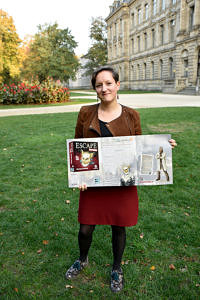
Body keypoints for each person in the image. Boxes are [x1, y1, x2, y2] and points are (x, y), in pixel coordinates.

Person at [65, 66, 177, 293]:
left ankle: (117, 267)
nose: (104, 88)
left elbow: (139, 147)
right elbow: (78, 147)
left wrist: (163, 147)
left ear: (117, 85)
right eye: (99, 85)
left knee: (119, 227)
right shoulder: (85, 112)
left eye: (108, 83)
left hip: (122, 182)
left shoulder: (131, 115)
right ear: (95, 89)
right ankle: (83, 258)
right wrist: (80, 175)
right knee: (85, 228)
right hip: (94, 182)